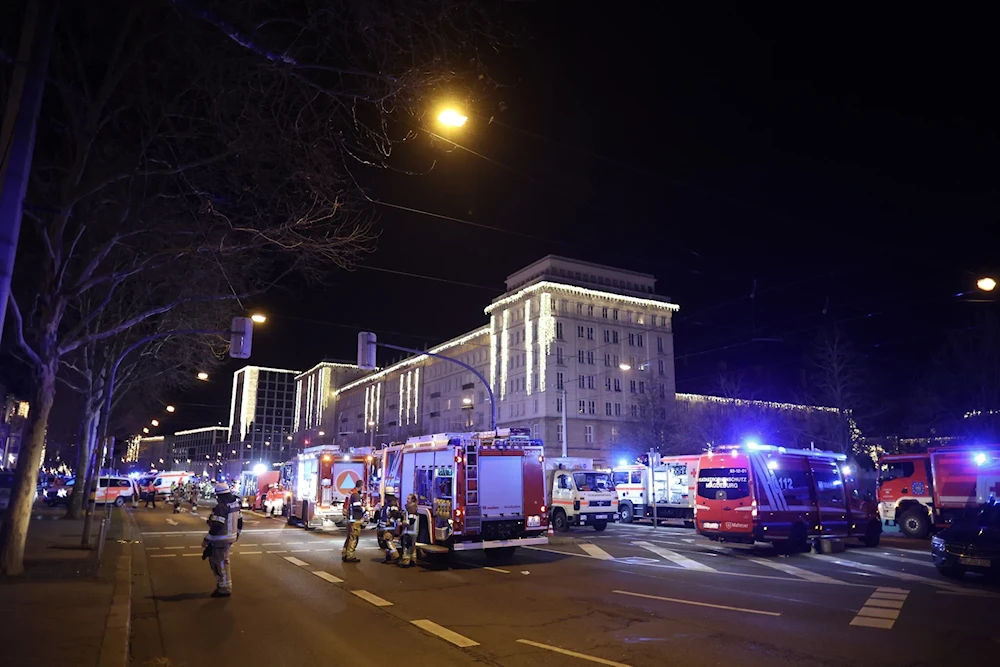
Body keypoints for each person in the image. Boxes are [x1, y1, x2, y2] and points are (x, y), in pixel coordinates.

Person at [202, 481, 243, 597]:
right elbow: (240, 521)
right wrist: (237, 534)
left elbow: (217, 525)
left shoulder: (221, 507)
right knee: (224, 561)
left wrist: (207, 539)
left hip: (221, 538)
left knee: (218, 563)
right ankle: (224, 585)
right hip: (230, 537)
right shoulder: (235, 504)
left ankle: (224, 588)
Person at [341, 479, 365, 563]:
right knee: (354, 538)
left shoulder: (350, 492)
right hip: (355, 519)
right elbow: (357, 508)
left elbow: (346, 505)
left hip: (349, 519)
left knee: (349, 537)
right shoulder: (356, 495)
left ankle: (345, 553)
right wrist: (365, 509)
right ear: (361, 486)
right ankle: (350, 556)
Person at [398, 493, 418, 568]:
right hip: (411, 531)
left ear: (412, 500)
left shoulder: (412, 508)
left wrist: (402, 523)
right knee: (412, 546)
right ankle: (413, 560)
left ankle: (406, 562)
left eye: (409, 498)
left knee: (407, 547)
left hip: (410, 531)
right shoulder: (411, 508)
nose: (407, 500)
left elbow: (411, 520)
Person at [381, 495, 400, 564]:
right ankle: (388, 557)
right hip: (385, 527)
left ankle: (395, 556)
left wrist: (390, 521)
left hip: (388, 527)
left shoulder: (392, 504)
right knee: (386, 542)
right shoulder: (389, 504)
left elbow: (396, 515)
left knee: (388, 540)